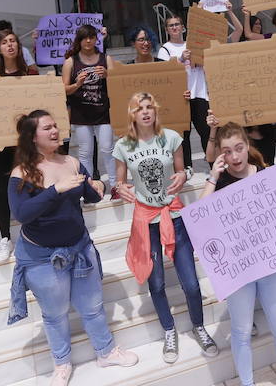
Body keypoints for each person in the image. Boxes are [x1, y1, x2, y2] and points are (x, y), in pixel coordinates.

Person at [7, 110, 138, 385]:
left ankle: (106, 351)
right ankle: (62, 363)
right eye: (47, 128)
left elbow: (89, 195)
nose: (55, 131)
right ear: (32, 137)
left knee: (92, 307)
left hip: (79, 249)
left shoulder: (72, 162)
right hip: (43, 258)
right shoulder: (22, 172)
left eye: (55, 125)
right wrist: (55, 189)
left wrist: (98, 185)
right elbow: (22, 213)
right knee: (55, 315)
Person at [201, 122, 276, 386]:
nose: (234, 156)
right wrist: (214, 177)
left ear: (247, 146)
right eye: (227, 151)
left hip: (269, 266)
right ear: (220, 154)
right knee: (241, 332)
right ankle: (247, 383)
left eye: (239, 148)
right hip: (239, 271)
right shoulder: (219, 182)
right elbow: (200, 218)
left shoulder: (266, 173)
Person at [113, 93, 219, 364]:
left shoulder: (171, 138)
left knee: (192, 284)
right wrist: (120, 189)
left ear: (155, 111)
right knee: (157, 283)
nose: (145, 112)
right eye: (140, 108)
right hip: (145, 221)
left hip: (174, 216)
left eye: (149, 107)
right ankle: (169, 331)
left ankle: (199, 326)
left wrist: (183, 175)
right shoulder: (123, 146)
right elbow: (119, 183)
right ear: (132, 114)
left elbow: (183, 172)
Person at [156, 4, 239, 175]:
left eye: (177, 24)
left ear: (183, 27)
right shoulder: (164, 50)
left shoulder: (194, 43)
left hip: (199, 93)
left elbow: (211, 57)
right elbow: (163, 75)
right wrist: (180, 59)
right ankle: (187, 168)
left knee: (207, 131)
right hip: (179, 97)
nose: (174, 28)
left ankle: (214, 165)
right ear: (166, 29)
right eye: (171, 25)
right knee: (182, 135)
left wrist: (200, 58)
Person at [0, 30, 38, 262]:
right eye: (4, 42)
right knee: (2, 190)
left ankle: (33, 231)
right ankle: (5, 237)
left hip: (27, 142)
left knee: (32, 184)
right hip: (1, 142)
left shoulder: (30, 73)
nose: (10, 45)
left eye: (13, 41)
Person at [62, 24, 116, 189]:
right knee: (85, 153)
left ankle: (115, 186)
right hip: (81, 114)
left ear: (96, 39)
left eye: (91, 37)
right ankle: (90, 187)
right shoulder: (71, 62)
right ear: (79, 40)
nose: (88, 40)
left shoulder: (105, 58)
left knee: (108, 149)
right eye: (84, 37)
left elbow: (118, 85)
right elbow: (64, 90)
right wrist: (77, 84)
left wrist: (108, 75)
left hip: (103, 112)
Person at [204, 107, 276, 168]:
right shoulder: (236, 134)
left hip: (269, 179)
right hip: (245, 181)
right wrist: (213, 130)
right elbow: (211, 157)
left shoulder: (273, 130)